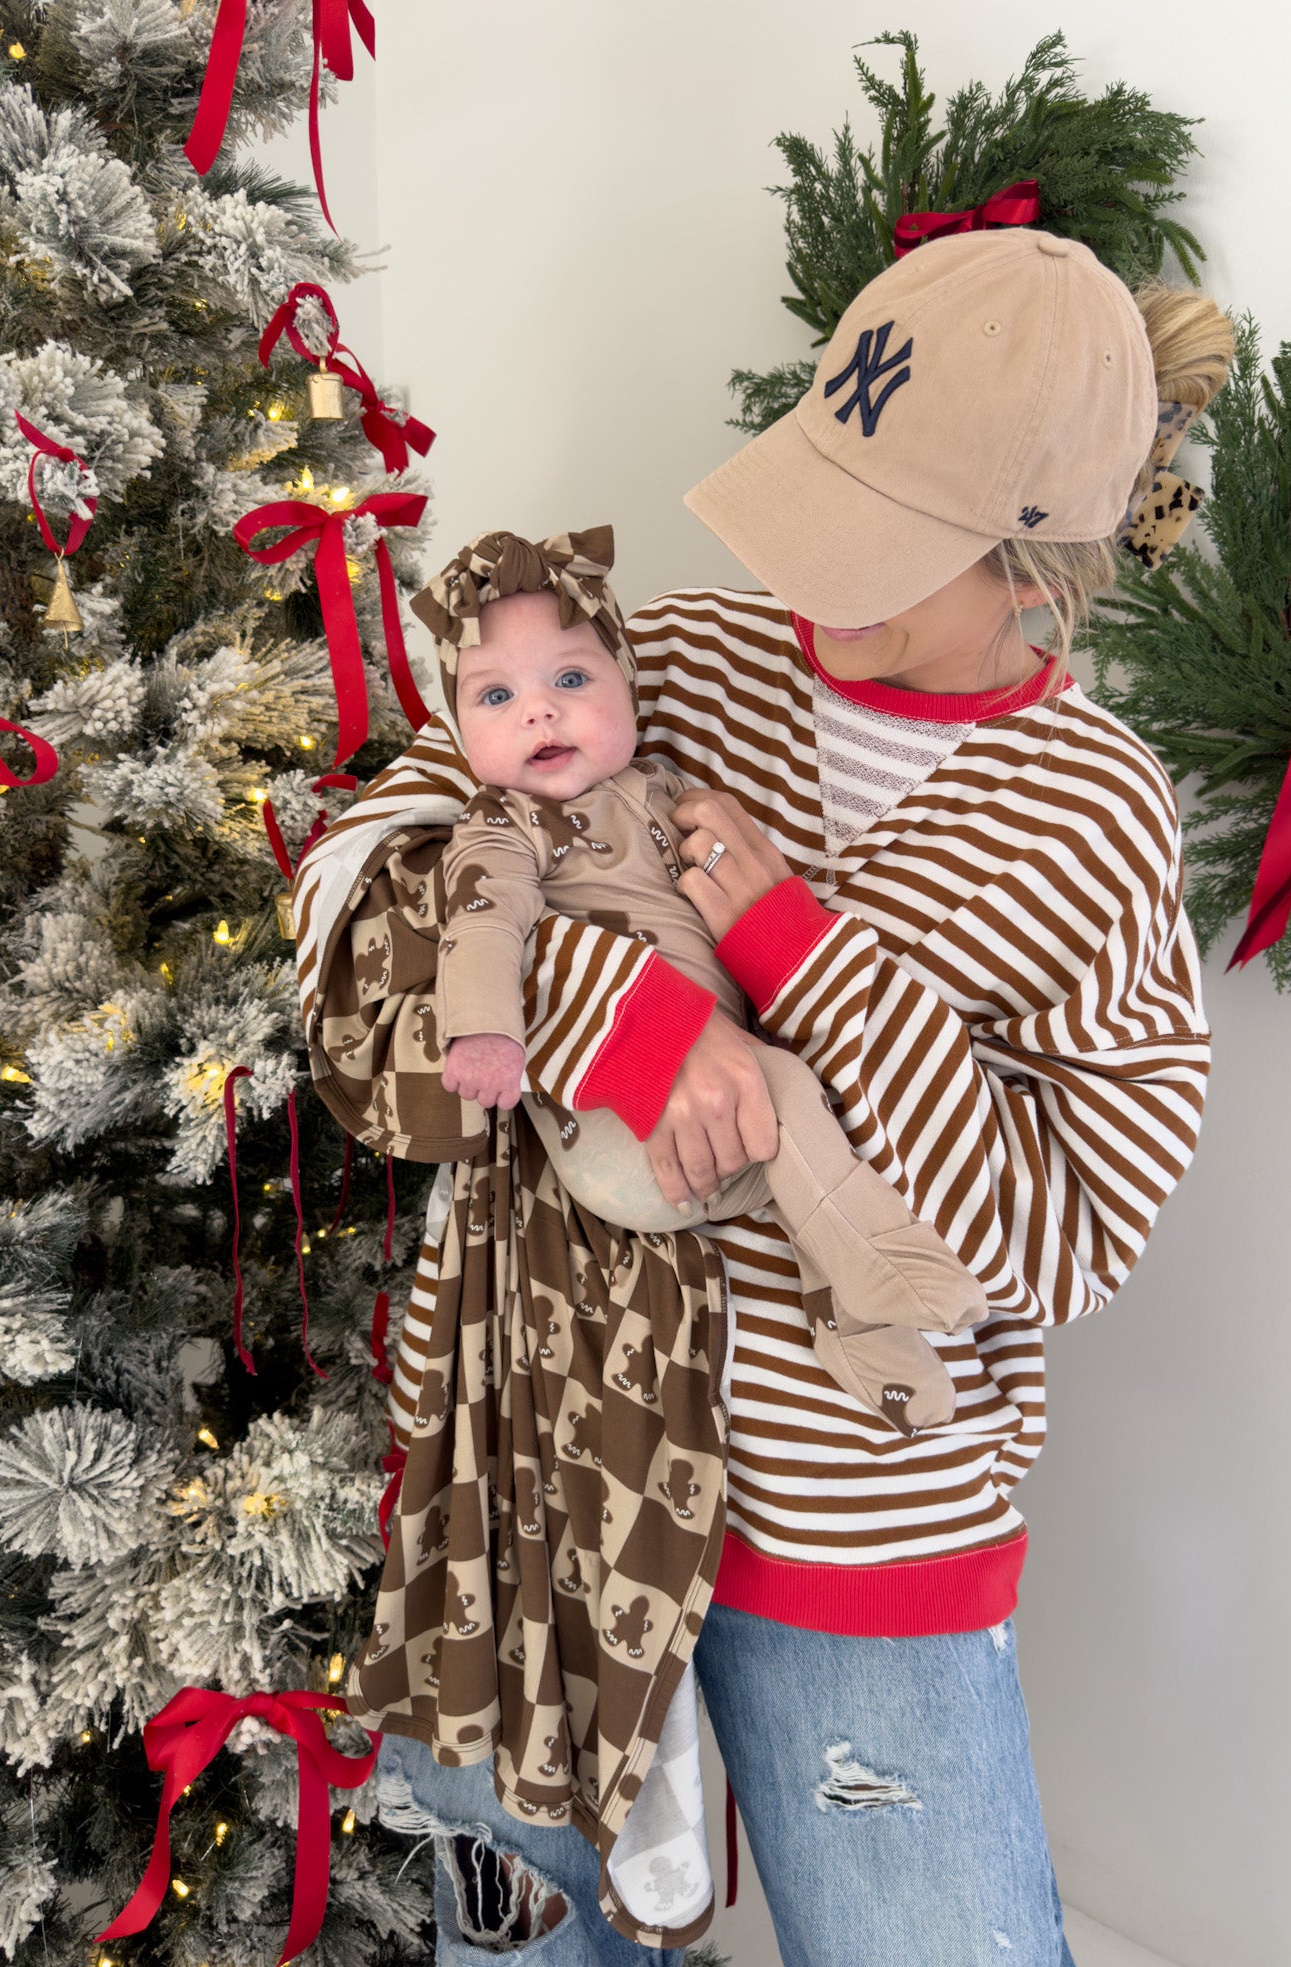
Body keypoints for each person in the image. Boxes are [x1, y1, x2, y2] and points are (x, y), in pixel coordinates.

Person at [351, 226, 1232, 1967]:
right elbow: (364, 899)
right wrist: (634, 1016)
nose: (820, 584)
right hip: (540, 1486)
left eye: (892, 551)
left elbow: (1063, 1240)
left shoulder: (1089, 816)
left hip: (865, 1533)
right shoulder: (660, 661)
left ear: (1034, 561)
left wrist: (799, 956)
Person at [414, 523, 987, 1435]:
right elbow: (483, 922)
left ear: (628, 686)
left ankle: (868, 1340)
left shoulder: (656, 786)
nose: (540, 712)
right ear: (458, 735)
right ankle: (875, 1258)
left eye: (571, 679)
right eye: (496, 696)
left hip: (713, 1118)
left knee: (800, 1163)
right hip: (620, 1124)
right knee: (788, 1093)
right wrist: (483, 1031)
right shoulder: (501, 824)